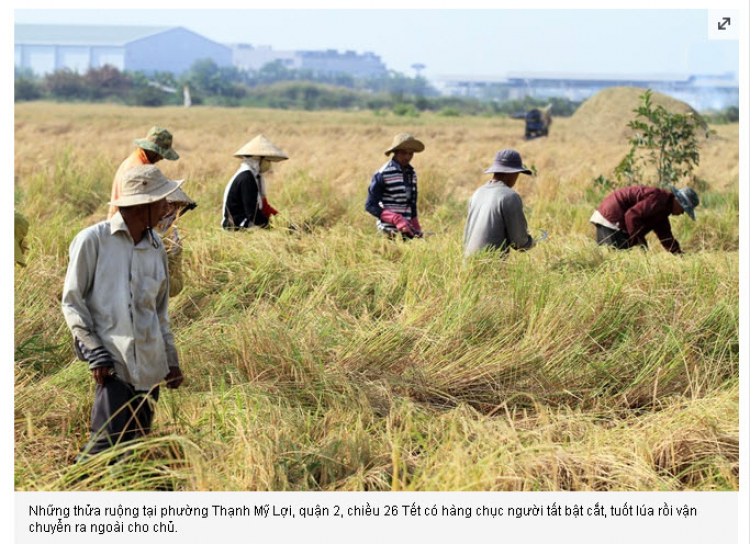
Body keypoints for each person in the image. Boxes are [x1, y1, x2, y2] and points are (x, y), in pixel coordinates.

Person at [62, 165, 185, 462]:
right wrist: (94, 352)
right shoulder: (92, 241)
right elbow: (72, 302)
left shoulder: (156, 246)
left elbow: (159, 312)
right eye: (161, 202)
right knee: (102, 449)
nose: (167, 209)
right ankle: (66, 493)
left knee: (134, 451)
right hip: (112, 362)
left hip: (150, 366)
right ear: (142, 206)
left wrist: (170, 360)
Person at [463, 149, 535, 257]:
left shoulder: (478, 193)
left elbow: (466, 236)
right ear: (512, 173)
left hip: (468, 264)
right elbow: (519, 242)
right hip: (491, 265)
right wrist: (531, 242)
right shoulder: (510, 196)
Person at [590, 185, 699, 254]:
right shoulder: (659, 200)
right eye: (684, 209)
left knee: (621, 256)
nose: (682, 213)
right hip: (611, 217)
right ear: (678, 201)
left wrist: (678, 254)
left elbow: (665, 235)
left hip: (615, 219)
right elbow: (631, 216)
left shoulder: (663, 209)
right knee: (611, 260)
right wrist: (641, 244)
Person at [108, 126, 180, 219]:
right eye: (160, 154)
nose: (162, 158)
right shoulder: (138, 169)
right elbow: (139, 205)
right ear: (151, 150)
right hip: (124, 224)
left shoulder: (135, 160)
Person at [365, 133, 426, 239]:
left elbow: (412, 204)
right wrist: (396, 219)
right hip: (387, 232)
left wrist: (416, 227)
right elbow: (370, 205)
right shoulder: (383, 174)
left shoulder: (412, 174)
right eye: (403, 153)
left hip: (407, 231)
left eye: (410, 153)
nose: (407, 157)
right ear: (395, 152)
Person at [222, 135, 287, 230]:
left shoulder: (254, 176)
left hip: (245, 224)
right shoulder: (246, 178)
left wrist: (281, 219)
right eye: (267, 160)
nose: (268, 164)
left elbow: (263, 206)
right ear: (258, 160)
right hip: (237, 228)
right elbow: (252, 213)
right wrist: (272, 227)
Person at [157, 187, 197, 297]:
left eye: (172, 207)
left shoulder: (173, 238)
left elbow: (176, 288)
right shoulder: (136, 230)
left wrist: (166, 259)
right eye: (164, 205)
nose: (168, 211)